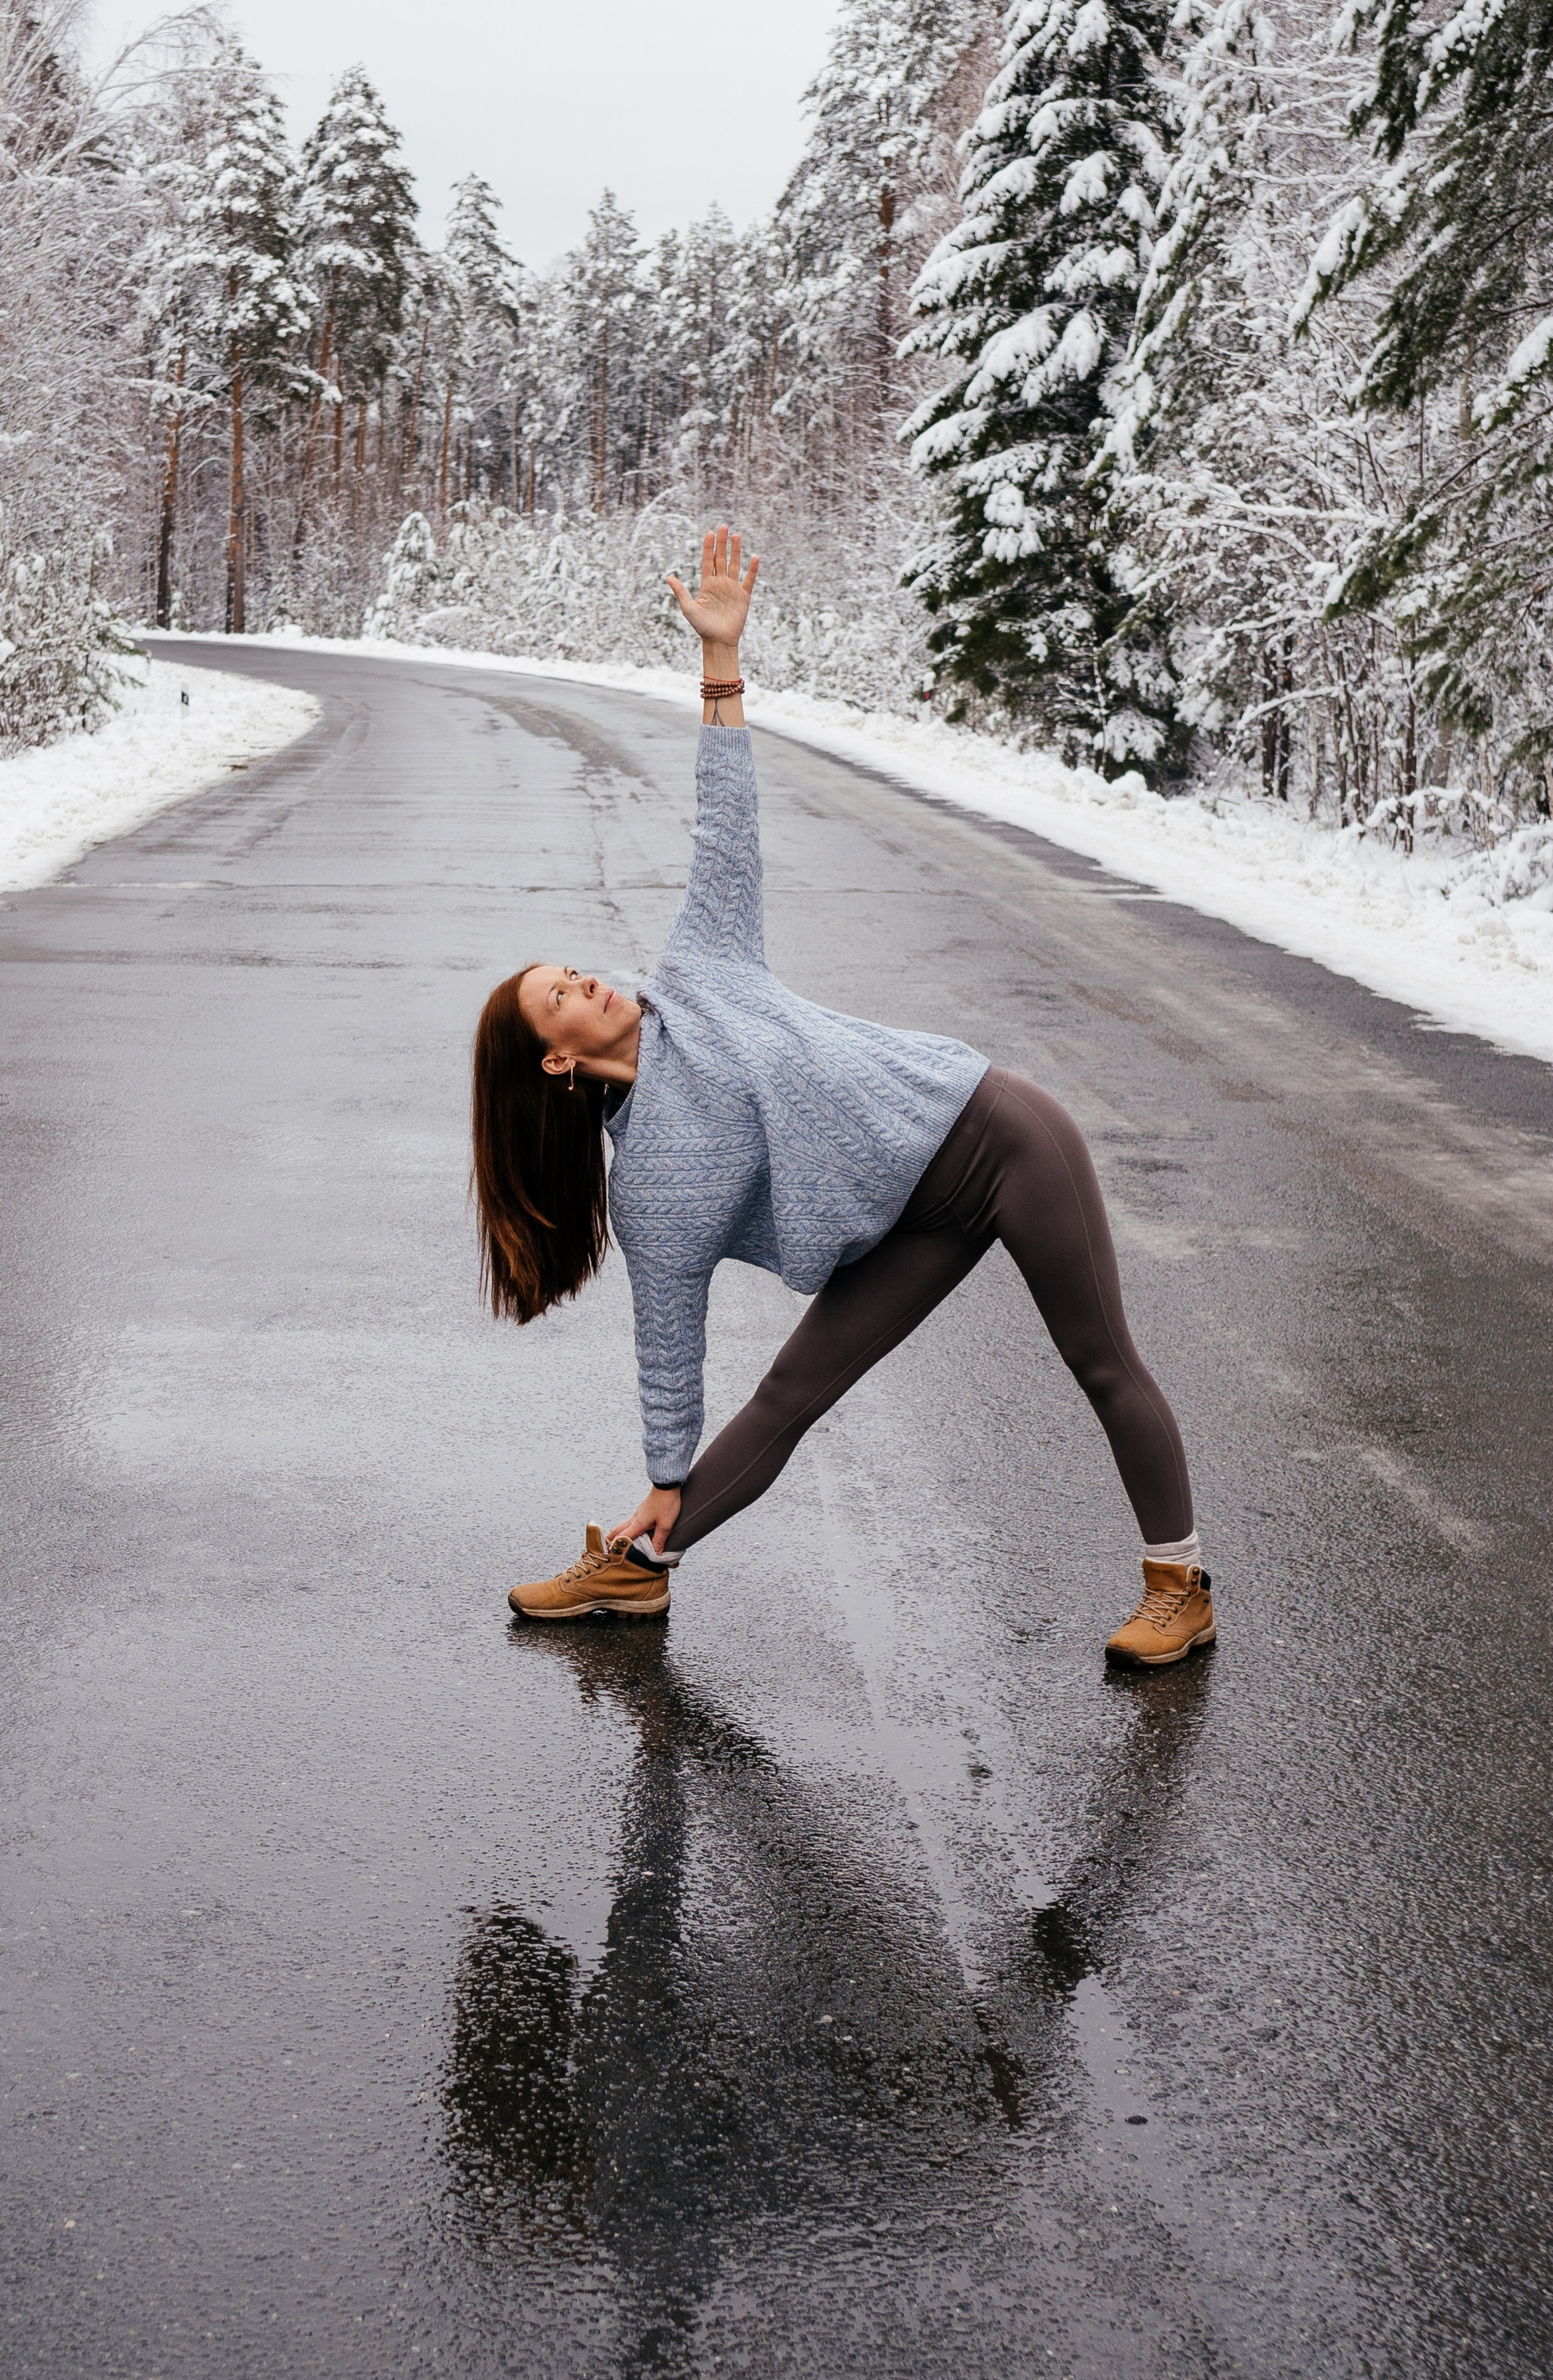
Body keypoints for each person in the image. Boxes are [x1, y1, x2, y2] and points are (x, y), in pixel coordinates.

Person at [469, 526, 1214, 1672]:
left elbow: (726, 826)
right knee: (785, 1397)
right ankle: (640, 1568)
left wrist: (720, 666)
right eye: (562, 994)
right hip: (904, 1222)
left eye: (572, 966)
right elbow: (669, 1347)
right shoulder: (652, 1191)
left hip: (994, 1137)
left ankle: (1179, 1585)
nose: (588, 976)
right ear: (556, 1063)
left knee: (1098, 1356)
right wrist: (667, 1477)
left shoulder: (699, 971)